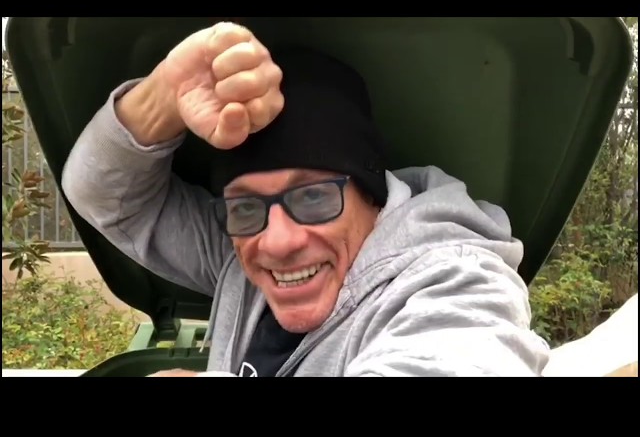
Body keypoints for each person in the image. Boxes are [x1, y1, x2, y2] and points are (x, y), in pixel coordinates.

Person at [61, 21, 550, 377]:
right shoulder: (239, 256)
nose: (277, 242)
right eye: (245, 205)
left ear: (373, 196)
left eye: (314, 197)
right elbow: (102, 194)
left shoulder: (456, 280)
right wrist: (164, 96)